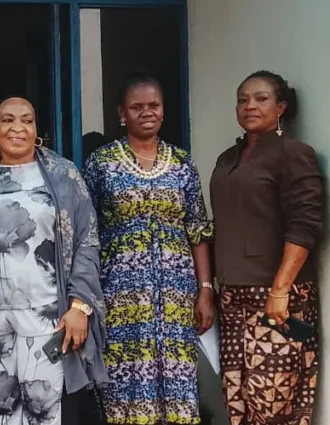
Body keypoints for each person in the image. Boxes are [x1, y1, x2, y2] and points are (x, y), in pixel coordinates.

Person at [0, 97, 109, 425]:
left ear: (37, 129)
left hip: (48, 318)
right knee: (0, 413)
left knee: (45, 411)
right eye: (8, 120)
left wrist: (80, 306)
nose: (18, 128)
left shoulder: (64, 176)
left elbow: (87, 241)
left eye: (27, 120)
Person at [82, 72, 215, 424]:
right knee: (125, 383)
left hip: (177, 296)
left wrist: (204, 290)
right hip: (120, 295)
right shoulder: (101, 163)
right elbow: (86, 235)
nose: (146, 112)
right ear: (121, 114)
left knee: (178, 383)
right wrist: (87, 296)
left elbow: (198, 230)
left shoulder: (183, 163)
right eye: (136, 107)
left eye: (154, 105)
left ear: (163, 110)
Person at [210, 71, 324, 425]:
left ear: (281, 107)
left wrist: (280, 290)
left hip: (276, 300)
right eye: (243, 99)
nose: (250, 106)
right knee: (237, 401)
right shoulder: (228, 158)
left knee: (273, 399)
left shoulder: (293, 154)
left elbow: (305, 225)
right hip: (232, 298)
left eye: (261, 99)